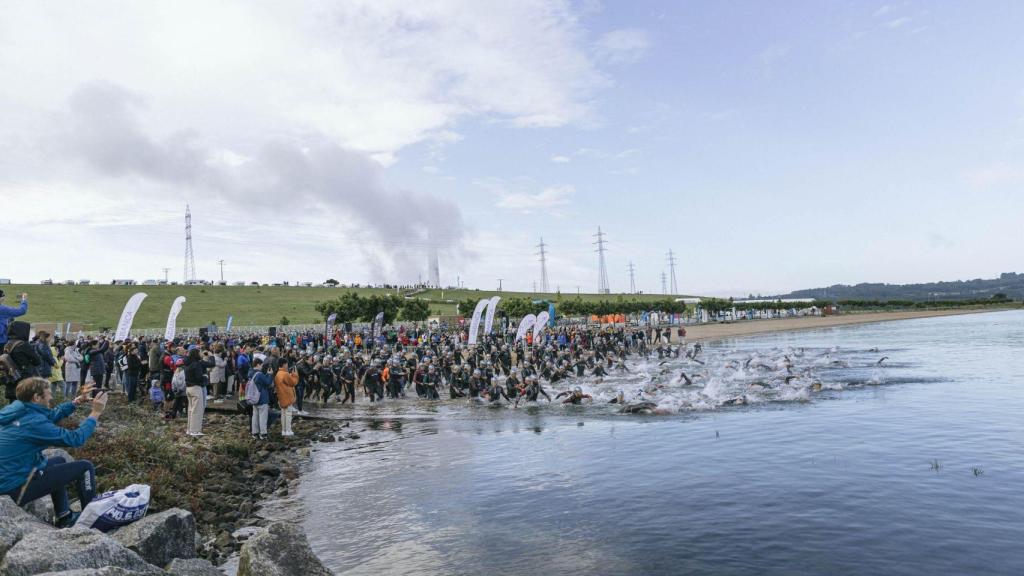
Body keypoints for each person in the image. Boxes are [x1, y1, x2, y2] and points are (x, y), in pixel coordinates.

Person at [0, 378, 108, 528]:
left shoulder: (15, 411)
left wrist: (76, 402)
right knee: (85, 467)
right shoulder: (33, 423)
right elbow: (76, 439)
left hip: (8, 478)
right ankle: (91, 522)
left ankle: (64, 516)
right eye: (48, 394)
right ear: (36, 398)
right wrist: (95, 413)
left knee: (58, 460)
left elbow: (49, 416)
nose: (51, 397)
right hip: (13, 488)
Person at [184, 348, 211, 437]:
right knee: (197, 410)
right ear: (196, 354)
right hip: (196, 388)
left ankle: (189, 429)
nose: (200, 354)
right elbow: (199, 378)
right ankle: (195, 431)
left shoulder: (187, 363)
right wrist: (205, 377)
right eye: (199, 353)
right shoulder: (196, 364)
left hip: (188, 388)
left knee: (190, 410)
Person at [274, 359, 298, 437]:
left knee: (283, 414)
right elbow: (293, 382)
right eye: (286, 364)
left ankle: (284, 430)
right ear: (284, 364)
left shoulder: (278, 373)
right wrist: (295, 374)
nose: (287, 365)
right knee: (288, 415)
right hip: (287, 396)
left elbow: (286, 382)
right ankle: (288, 430)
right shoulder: (285, 374)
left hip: (281, 396)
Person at [250, 358, 272, 440]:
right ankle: (263, 434)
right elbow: (268, 382)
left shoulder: (251, 372)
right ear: (258, 364)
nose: (262, 367)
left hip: (254, 399)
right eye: (261, 365)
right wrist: (270, 374)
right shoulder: (259, 374)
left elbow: (262, 381)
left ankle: (254, 433)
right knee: (263, 417)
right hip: (262, 398)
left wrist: (266, 375)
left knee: (255, 416)